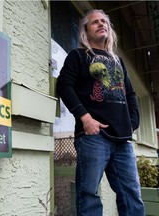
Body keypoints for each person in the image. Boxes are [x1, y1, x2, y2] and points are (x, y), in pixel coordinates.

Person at [56, 9, 145, 216]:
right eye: (95, 22)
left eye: (104, 21)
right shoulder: (78, 56)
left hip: (123, 140)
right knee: (89, 194)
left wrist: (133, 123)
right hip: (93, 136)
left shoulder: (118, 61)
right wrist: (85, 118)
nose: (101, 24)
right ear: (86, 30)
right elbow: (64, 86)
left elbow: (130, 94)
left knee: (131, 193)